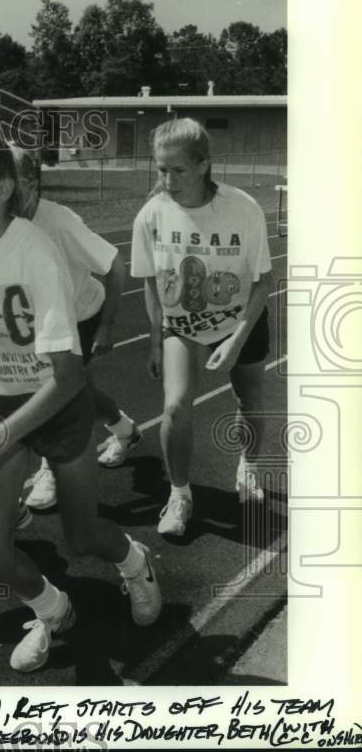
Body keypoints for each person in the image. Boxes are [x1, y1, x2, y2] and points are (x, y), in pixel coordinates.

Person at [0, 125, 161, 673]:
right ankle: (53, 610)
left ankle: (137, 564)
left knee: (82, 537)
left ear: (3, 189)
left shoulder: (36, 252)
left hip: (57, 408)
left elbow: (69, 378)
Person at [131, 118, 273, 538]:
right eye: (161, 169)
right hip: (182, 328)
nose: (168, 180)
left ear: (204, 164)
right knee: (175, 407)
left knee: (249, 399)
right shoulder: (152, 214)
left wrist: (235, 342)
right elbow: (151, 282)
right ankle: (179, 494)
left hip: (241, 320)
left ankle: (249, 464)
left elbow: (264, 282)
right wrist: (155, 341)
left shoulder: (242, 208)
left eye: (179, 170)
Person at [9, 145, 142, 512]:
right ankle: (125, 430)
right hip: (42, 322)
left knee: (57, 395)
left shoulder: (59, 222)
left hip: (81, 317)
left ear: (33, 183)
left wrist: (108, 326)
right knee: (78, 390)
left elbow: (115, 263)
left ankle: (51, 469)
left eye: (12, 182)